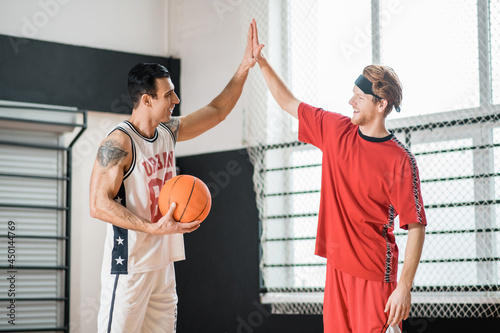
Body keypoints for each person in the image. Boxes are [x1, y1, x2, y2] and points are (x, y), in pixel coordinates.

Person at [249, 19, 426, 333]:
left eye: (359, 96)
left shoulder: (400, 160)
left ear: (381, 103)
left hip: (375, 275)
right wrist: (261, 62)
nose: (350, 102)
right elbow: (289, 102)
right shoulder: (335, 129)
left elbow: (415, 226)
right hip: (336, 271)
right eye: (352, 94)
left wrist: (404, 287)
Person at [89, 24, 259, 333]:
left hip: (163, 264)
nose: (176, 99)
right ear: (147, 100)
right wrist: (152, 228)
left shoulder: (168, 132)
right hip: (129, 264)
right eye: (169, 94)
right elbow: (98, 204)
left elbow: (218, 110)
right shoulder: (118, 143)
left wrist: (244, 67)